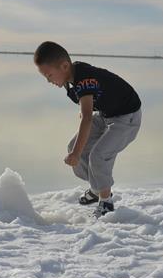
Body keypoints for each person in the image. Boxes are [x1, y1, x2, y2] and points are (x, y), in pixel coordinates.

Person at [34, 41, 141, 217]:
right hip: (107, 114)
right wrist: (76, 150)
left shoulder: (84, 79)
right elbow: (88, 106)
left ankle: (106, 202)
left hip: (127, 118)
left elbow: (87, 118)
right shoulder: (71, 77)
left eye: (50, 75)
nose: (48, 81)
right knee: (74, 147)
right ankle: (96, 188)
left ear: (64, 66)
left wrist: (76, 153)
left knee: (98, 155)